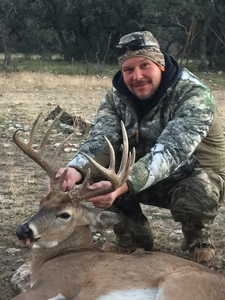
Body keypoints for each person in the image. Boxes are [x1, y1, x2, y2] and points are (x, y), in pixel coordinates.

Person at [56, 31, 225, 263]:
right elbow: (102, 139)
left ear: (160, 64)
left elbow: (171, 152)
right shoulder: (116, 98)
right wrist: (75, 170)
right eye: (128, 70)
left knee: (197, 194)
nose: (137, 76)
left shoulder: (194, 95)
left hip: (192, 174)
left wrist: (121, 186)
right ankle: (134, 239)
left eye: (145, 65)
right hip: (141, 171)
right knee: (96, 177)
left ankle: (198, 240)